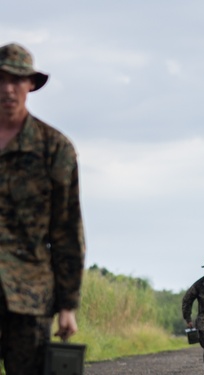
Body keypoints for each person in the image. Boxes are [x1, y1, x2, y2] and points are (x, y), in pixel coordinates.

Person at [0, 43, 85, 374]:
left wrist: (68, 305)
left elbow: (67, 230)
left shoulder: (55, 148)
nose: (8, 89)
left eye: (17, 80)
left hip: (30, 300)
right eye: (2, 79)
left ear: (30, 85)